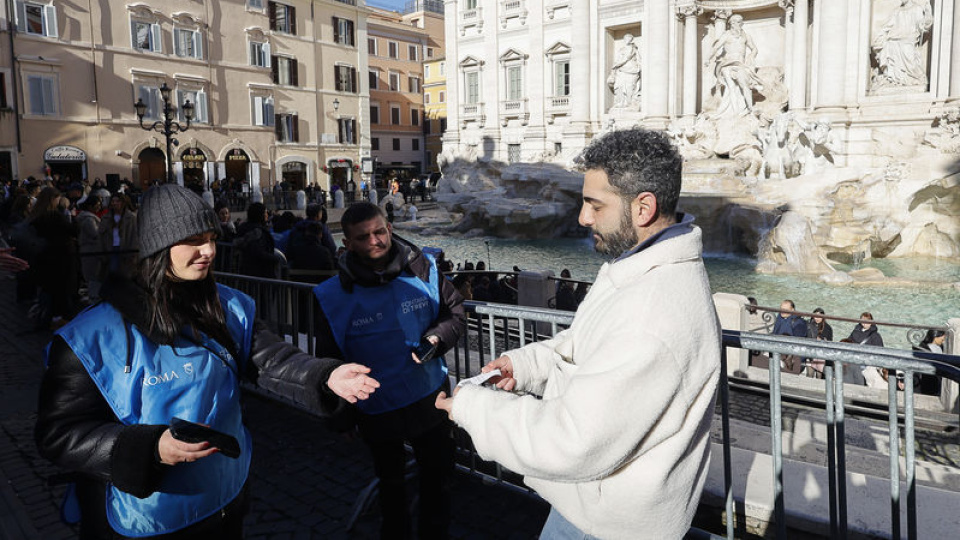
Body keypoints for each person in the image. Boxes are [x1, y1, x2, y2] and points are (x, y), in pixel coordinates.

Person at [34, 184, 379, 539]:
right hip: (143, 518)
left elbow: (271, 360)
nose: (209, 251)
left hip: (225, 498)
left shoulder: (231, 307)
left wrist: (326, 376)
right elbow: (58, 433)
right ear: (159, 245)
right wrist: (148, 448)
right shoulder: (90, 336)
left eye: (212, 238)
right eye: (194, 240)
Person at [435, 128, 721, 539]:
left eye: (594, 204)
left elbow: (571, 440)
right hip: (598, 504)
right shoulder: (643, 270)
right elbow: (586, 345)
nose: (584, 217)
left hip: (609, 524)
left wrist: (473, 407)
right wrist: (527, 364)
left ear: (643, 208)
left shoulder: (651, 311)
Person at [312, 202, 466, 540]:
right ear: (347, 244)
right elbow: (328, 359)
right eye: (363, 237)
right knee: (391, 487)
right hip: (375, 408)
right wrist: (340, 415)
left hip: (431, 398)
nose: (375, 241)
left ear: (390, 229)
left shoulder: (425, 269)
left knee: (438, 481)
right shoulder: (330, 296)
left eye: (379, 232)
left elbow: (455, 313)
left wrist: (437, 338)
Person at [706, 14, 764, 115]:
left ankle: (750, 108)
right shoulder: (727, 35)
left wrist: (751, 56)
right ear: (731, 23)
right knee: (731, 87)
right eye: (736, 21)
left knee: (745, 85)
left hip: (740, 64)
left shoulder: (746, 36)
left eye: (740, 21)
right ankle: (735, 112)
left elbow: (754, 49)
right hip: (727, 64)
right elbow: (716, 47)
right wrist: (708, 58)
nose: (739, 23)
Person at [871, 0, 934, 88]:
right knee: (887, 47)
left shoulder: (917, 8)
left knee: (909, 60)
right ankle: (892, 78)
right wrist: (879, 35)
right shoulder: (897, 11)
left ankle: (916, 78)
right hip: (894, 39)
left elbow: (922, 26)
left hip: (909, 40)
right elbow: (887, 26)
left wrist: (928, 15)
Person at [234, 202, 281, 278]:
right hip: (259, 272)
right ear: (260, 214)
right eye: (265, 212)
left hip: (245, 271)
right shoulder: (258, 232)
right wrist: (275, 258)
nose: (267, 215)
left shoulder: (243, 228)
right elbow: (258, 252)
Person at [99, 193, 138, 278]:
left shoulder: (131, 218)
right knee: (113, 272)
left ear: (123, 203)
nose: (115, 203)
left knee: (125, 275)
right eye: (113, 201)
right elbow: (101, 236)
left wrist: (132, 254)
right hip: (111, 249)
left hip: (125, 250)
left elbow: (134, 237)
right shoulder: (106, 218)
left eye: (117, 201)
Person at [75, 195, 104, 302]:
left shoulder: (87, 218)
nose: (99, 207)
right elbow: (95, 234)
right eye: (97, 205)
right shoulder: (89, 220)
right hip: (91, 250)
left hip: (90, 249)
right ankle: (94, 298)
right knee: (93, 276)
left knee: (93, 276)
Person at [771, 299, 807, 373]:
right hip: (778, 351)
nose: (782, 311)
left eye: (785, 309)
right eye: (781, 309)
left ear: (792, 310)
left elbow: (798, 343)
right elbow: (775, 333)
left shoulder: (799, 323)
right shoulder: (779, 317)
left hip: (791, 358)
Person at [913, 329, 946, 395]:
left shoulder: (940, 347)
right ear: (935, 337)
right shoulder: (924, 349)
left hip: (936, 379)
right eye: (942, 338)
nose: (943, 340)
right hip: (927, 381)